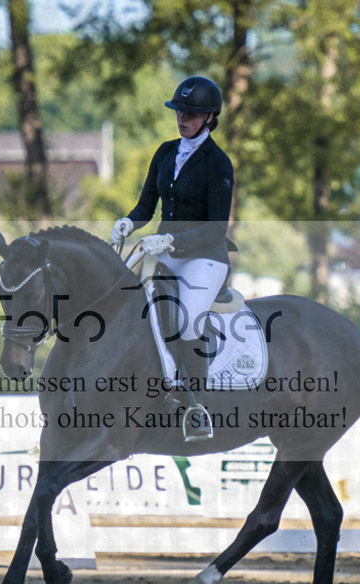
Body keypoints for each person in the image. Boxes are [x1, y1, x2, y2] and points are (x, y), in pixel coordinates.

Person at [110, 75, 234, 441]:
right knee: (125, 300)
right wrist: (128, 223)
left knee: (189, 318)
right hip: (162, 249)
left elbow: (215, 228)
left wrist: (170, 241)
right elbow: (146, 207)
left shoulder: (219, 163)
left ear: (210, 117)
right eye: (180, 111)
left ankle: (195, 406)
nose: (183, 119)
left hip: (205, 258)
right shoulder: (165, 152)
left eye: (192, 115)